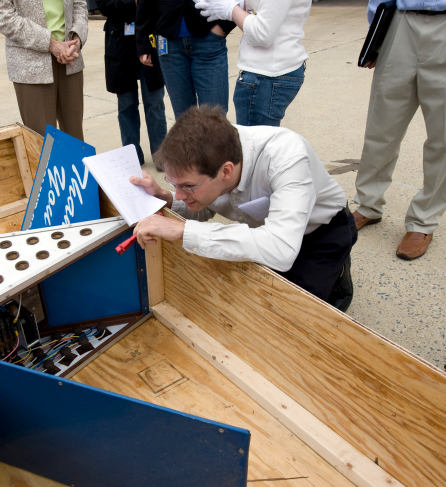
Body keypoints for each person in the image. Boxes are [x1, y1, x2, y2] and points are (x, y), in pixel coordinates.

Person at [130, 106, 357, 311]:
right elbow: (205, 208)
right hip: (267, 231)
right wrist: (165, 198)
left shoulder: (285, 157)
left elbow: (281, 249)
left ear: (226, 171)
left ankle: (338, 273)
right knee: (241, 297)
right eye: (173, 184)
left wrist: (184, 230)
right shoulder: (211, 150)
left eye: (187, 186)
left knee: (295, 312)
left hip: (322, 231)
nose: (179, 193)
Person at [351, 2, 446, 261]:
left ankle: (423, 221)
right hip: (400, 22)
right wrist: (378, 33)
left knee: (443, 136)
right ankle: (368, 203)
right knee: (381, 126)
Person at [194, 0, 311, 127]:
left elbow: (262, 34)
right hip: (270, 71)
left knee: (254, 145)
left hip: (266, 75)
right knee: (260, 143)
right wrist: (242, 4)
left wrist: (231, 10)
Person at [0, 0, 89, 140]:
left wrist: (78, 39)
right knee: (42, 141)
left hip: (70, 58)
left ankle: (75, 163)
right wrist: (50, 43)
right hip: (31, 63)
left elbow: (80, 5)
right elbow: (4, 17)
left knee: (75, 139)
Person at [135, 0, 235, 119]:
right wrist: (143, 39)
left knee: (215, 120)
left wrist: (224, 26)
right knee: (184, 122)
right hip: (169, 42)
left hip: (208, 38)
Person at [99, 0, 168, 166]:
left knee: (155, 102)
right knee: (126, 104)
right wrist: (134, 3)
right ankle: (132, 157)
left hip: (149, 38)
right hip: (120, 43)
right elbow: (103, 4)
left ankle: (161, 157)